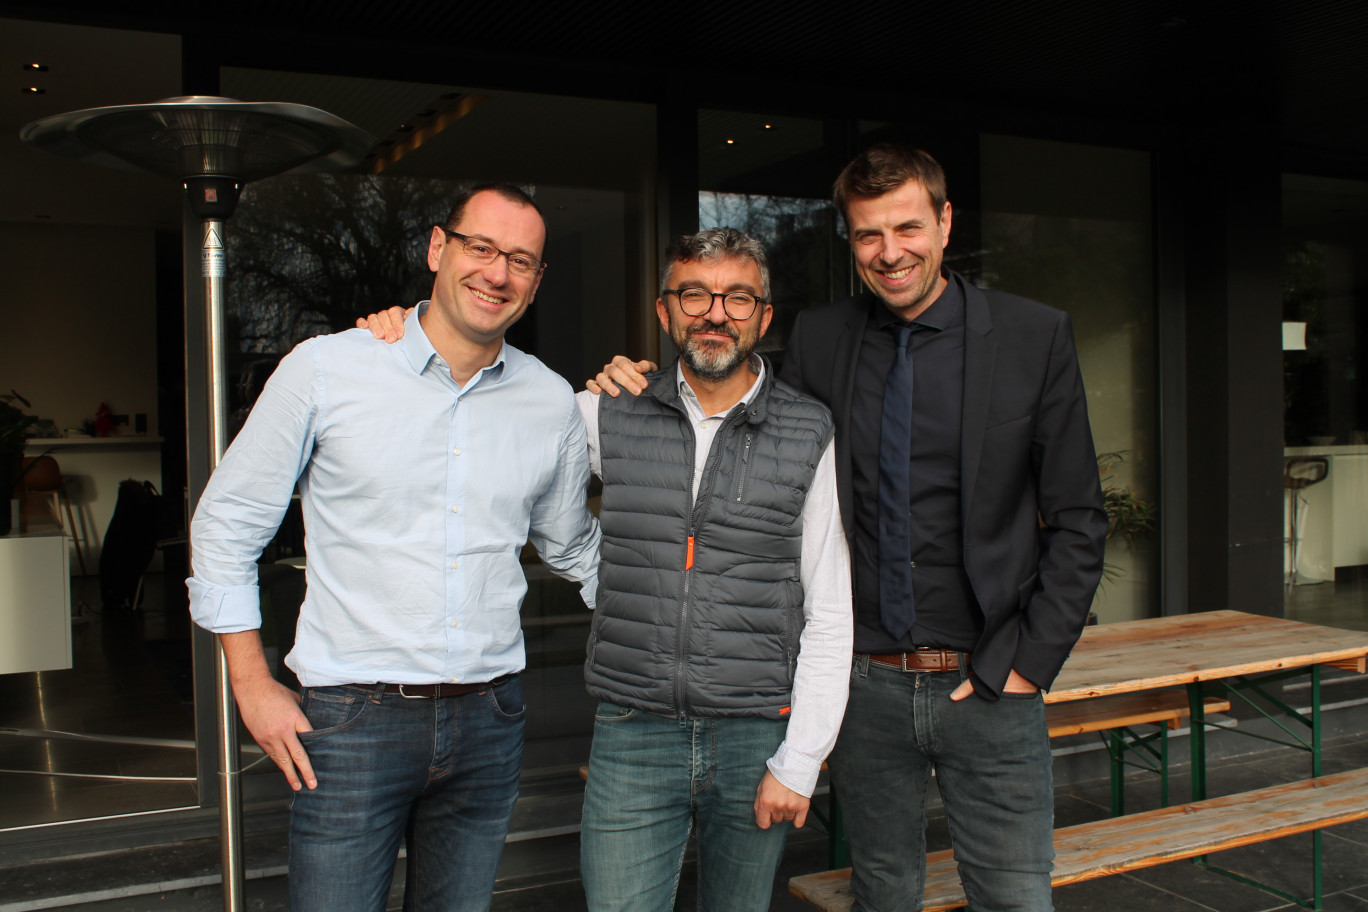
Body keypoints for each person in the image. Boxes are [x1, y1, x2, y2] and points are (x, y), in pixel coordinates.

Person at [591, 144, 1109, 912]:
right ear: (850, 241)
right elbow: (741, 429)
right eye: (868, 234)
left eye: (907, 228)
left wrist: (1028, 664)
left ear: (944, 221)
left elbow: (1078, 518)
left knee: (1016, 897)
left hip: (991, 683)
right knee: (884, 895)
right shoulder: (822, 338)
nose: (890, 252)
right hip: (866, 689)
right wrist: (631, 386)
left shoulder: (1034, 337)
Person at [360, 227, 853, 912]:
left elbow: (830, 610)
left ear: (765, 317)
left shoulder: (808, 431)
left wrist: (799, 761)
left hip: (755, 733)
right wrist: (402, 336)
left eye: (738, 298)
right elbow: (480, 414)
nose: (716, 313)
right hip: (633, 732)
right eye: (694, 295)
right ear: (664, 311)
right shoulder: (602, 412)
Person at [188, 183, 601, 912]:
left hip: (490, 719)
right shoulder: (327, 368)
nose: (497, 274)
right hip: (352, 720)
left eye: (521, 261)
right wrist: (251, 685)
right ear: (439, 249)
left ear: (536, 284)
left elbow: (571, 547)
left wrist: (689, 600)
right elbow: (226, 525)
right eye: (481, 248)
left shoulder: (549, 401)